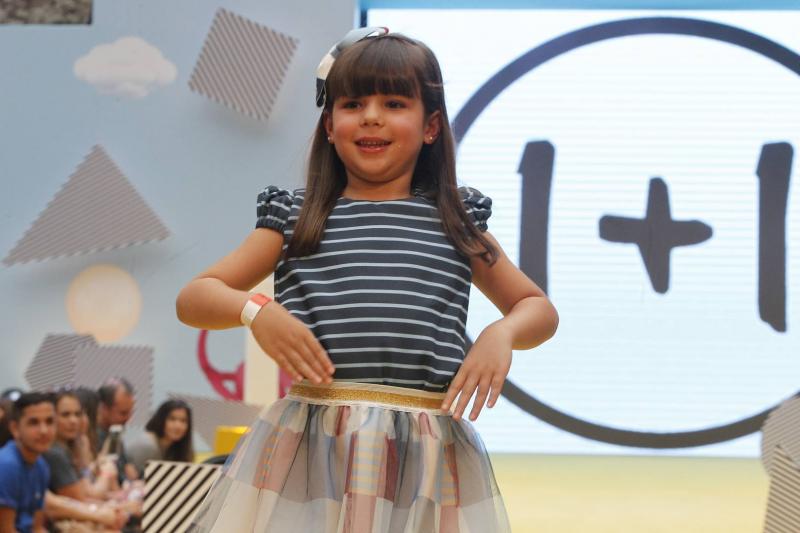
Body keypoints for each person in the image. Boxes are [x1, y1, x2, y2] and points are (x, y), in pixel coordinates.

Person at [176, 28, 558, 532]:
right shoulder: (296, 216)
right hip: (312, 449)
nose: (371, 116)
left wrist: (501, 333)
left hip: (424, 456)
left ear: (430, 126)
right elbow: (194, 298)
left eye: (394, 103)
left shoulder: (456, 220)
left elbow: (537, 308)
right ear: (329, 125)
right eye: (353, 103)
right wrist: (257, 311)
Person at [0, 392, 55, 533]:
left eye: (49, 422)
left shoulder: (41, 466)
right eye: (33, 423)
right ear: (15, 428)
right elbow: (6, 530)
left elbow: (37, 527)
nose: (44, 431)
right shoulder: (7, 466)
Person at [125, 399, 194, 474]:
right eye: (172, 419)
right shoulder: (147, 445)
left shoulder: (178, 448)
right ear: (161, 420)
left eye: (183, 421)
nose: (178, 426)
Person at [95, 379, 136, 481]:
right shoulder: (91, 438)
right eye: (123, 413)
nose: (128, 418)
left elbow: (128, 474)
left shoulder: (114, 433)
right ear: (104, 408)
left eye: (130, 412)